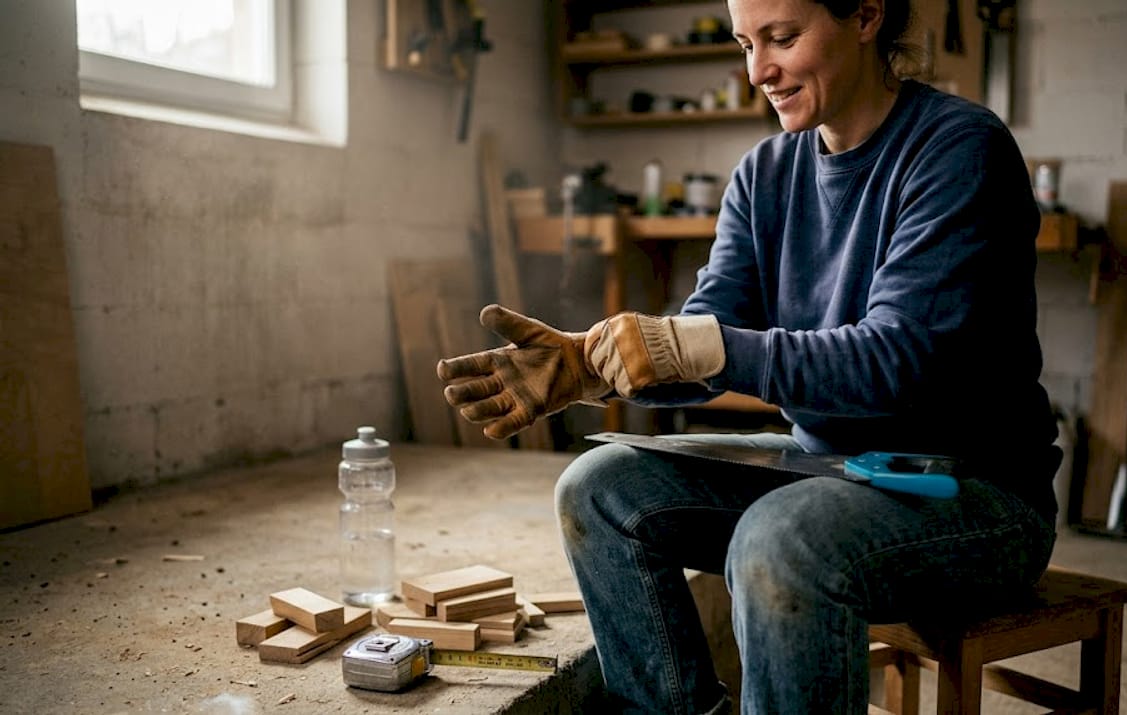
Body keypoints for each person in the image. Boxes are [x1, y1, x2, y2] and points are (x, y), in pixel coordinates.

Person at [437, 0, 1059, 711]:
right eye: (744, 43)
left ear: (865, 16)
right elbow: (708, 338)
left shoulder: (959, 148)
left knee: (781, 539)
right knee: (597, 488)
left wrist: (699, 345)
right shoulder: (764, 173)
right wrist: (589, 367)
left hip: (972, 492)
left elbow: (899, 359)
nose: (758, 70)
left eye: (782, 38)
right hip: (830, 468)